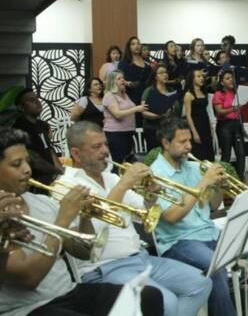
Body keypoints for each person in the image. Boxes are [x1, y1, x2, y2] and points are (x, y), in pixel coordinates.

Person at [0, 127, 165, 316]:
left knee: (147, 297)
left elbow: (83, 253)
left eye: (27, 162)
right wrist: (63, 218)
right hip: (27, 309)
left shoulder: (41, 202)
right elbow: (29, 279)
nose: (27, 169)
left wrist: (86, 215)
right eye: (16, 164)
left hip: (68, 293)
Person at [57, 121, 212, 316]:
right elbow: (94, 231)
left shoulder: (111, 177)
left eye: (105, 144)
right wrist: (123, 185)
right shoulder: (68, 185)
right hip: (103, 269)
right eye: (97, 147)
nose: (105, 151)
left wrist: (150, 195)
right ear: (76, 154)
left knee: (201, 283)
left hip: (140, 258)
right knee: (167, 301)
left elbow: (145, 216)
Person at [151, 118, 248, 316]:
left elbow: (213, 205)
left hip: (209, 233)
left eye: (189, 141)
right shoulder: (155, 175)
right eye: (182, 142)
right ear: (165, 144)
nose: (189, 147)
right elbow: (171, 217)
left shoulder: (192, 167)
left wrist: (218, 185)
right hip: (179, 242)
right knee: (215, 265)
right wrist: (203, 183)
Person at [12, 88, 63, 185]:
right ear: (21, 107)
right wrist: (56, 171)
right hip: (35, 181)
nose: (38, 102)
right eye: (32, 100)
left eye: (37, 99)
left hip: (51, 177)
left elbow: (50, 150)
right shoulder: (20, 128)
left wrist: (60, 171)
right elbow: (33, 159)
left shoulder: (42, 125)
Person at [103, 70, 147, 164]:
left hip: (128, 132)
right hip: (116, 134)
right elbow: (117, 114)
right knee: (119, 162)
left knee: (127, 161)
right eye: (119, 79)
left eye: (123, 78)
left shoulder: (125, 94)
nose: (123, 80)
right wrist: (136, 109)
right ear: (112, 82)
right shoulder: (109, 96)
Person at [213, 71, 246, 180]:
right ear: (222, 82)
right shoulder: (219, 94)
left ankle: (240, 180)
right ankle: (223, 181)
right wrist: (233, 108)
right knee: (226, 155)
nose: (231, 80)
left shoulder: (236, 93)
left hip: (236, 125)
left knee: (241, 154)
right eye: (227, 78)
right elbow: (219, 111)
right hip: (224, 126)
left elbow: (240, 112)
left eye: (231, 77)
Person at [141, 65, 181, 150]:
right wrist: (159, 116)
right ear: (155, 76)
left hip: (169, 129)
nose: (165, 75)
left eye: (166, 72)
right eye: (161, 73)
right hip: (153, 129)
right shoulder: (149, 91)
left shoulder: (171, 90)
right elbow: (143, 112)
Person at [118, 37, 152, 127]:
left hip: (145, 97)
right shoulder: (124, 63)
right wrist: (128, 83)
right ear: (129, 47)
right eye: (133, 44)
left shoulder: (147, 64)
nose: (136, 46)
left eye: (138, 43)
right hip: (130, 97)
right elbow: (118, 79)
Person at [183, 69, 215, 161]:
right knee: (198, 154)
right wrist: (194, 133)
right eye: (198, 76)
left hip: (205, 124)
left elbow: (206, 111)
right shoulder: (188, 94)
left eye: (202, 76)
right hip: (196, 125)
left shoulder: (204, 92)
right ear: (192, 79)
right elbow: (188, 115)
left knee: (209, 153)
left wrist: (211, 127)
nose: (202, 78)